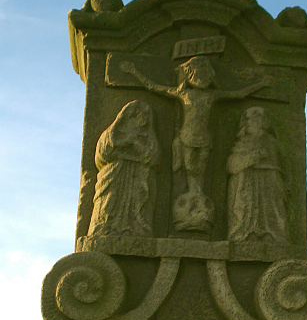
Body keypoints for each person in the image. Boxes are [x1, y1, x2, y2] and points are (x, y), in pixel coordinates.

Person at [120, 56, 269, 232]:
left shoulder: (211, 95)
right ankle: (192, 201)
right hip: (187, 137)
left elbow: (238, 94)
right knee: (190, 168)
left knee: (201, 171)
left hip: (204, 139)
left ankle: (198, 199)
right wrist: (133, 72)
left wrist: (260, 84)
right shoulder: (184, 94)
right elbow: (153, 87)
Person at [87, 100, 160, 237]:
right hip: (115, 172)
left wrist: (136, 143)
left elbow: (153, 158)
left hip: (139, 174)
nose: (141, 118)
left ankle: (137, 230)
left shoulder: (148, 137)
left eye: (145, 115)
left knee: (139, 203)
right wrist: (126, 141)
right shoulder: (113, 132)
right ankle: (104, 227)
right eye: (136, 114)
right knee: (109, 201)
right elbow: (103, 153)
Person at [227, 107, 290, 243]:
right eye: (254, 118)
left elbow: (284, 165)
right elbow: (232, 165)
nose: (259, 121)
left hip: (270, 180)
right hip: (247, 180)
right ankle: (246, 233)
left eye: (261, 118)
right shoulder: (243, 142)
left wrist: (286, 183)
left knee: (271, 210)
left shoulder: (273, 143)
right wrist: (252, 158)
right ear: (246, 122)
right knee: (246, 208)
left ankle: (272, 234)